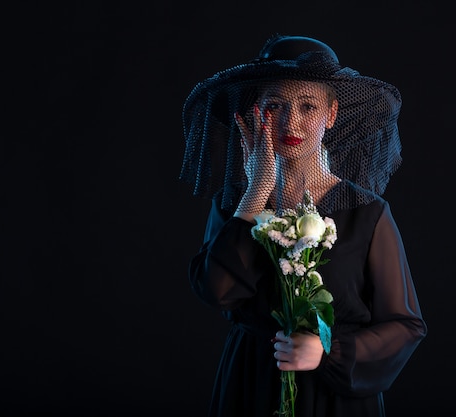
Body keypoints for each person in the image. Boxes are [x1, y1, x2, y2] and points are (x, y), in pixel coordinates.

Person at [180, 34, 427, 417]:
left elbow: (405, 325)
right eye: (274, 105)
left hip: (337, 398)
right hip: (252, 389)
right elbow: (217, 292)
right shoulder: (236, 206)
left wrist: (328, 351)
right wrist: (258, 189)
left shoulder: (368, 212)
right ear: (255, 114)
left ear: (330, 115)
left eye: (307, 106)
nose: (290, 121)